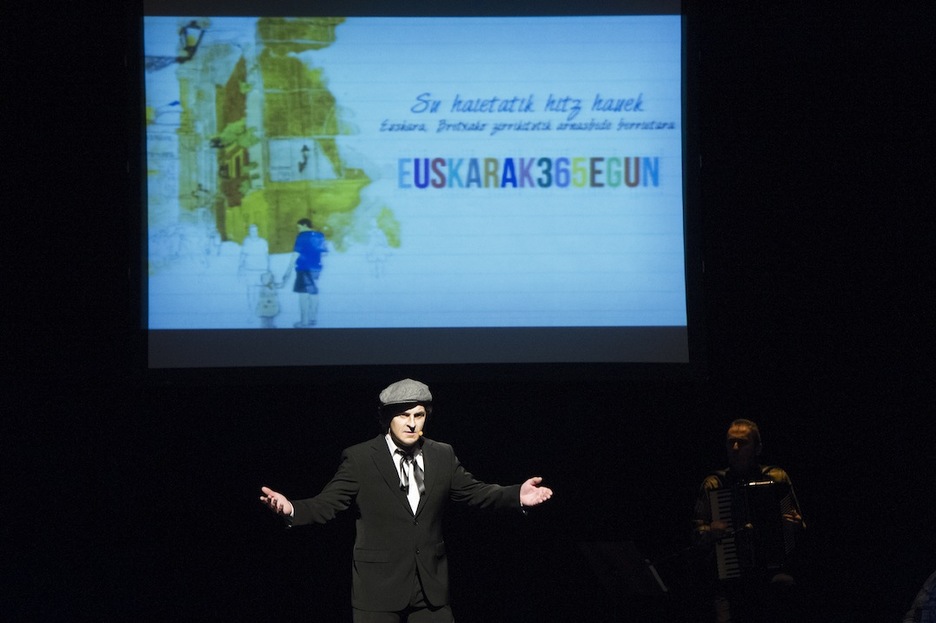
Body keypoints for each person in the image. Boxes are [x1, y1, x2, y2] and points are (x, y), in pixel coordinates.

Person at [260, 378, 554, 622]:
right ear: (387, 418)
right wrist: (292, 509)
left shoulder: (441, 454)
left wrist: (515, 494)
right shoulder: (361, 458)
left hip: (430, 586)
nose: (412, 423)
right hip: (378, 587)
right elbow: (328, 503)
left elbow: (475, 492)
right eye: (403, 415)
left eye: (419, 415)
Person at [691, 419, 806, 623]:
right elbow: (694, 535)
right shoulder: (714, 484)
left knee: (787, 588)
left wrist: (795, 526)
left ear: (757, 448)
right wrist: (709, 531)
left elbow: (801, 527)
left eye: (742, 443)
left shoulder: (777, 477)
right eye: (731, 442)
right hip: (729, 579)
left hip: (771, 573)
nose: (735, 448)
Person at [282, 217, 327, 328]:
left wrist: (288, 271)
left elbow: (295, 254)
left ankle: (304, 322)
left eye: (299, 227)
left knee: (303, 295)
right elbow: (324, 253)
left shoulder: (302, 236)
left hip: (304, 268)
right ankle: (313, 319)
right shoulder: (320, 235)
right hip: (316, 268)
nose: (298, 230)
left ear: (305, 225)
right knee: (313, 292)